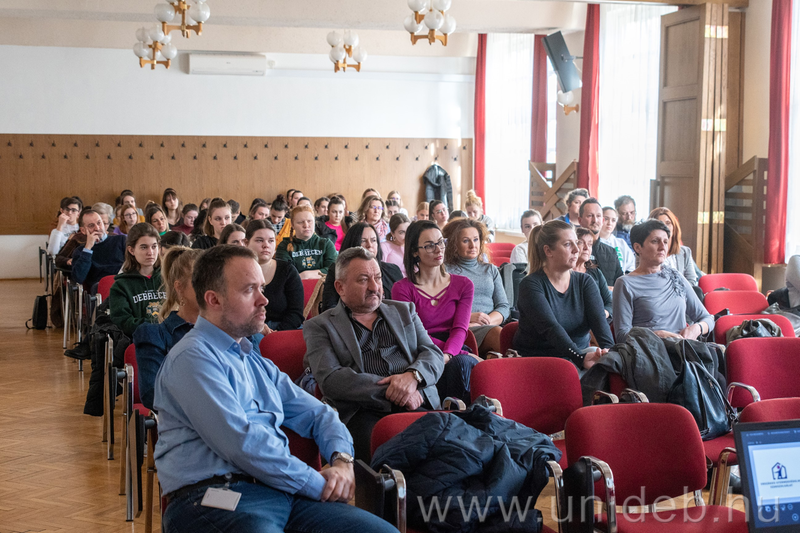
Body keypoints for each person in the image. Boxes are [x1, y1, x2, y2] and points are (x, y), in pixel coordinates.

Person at [153, 245, 394, 533]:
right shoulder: (192, 359)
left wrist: (341, 460)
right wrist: (320, 485)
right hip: (213, 498)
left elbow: (319, 414)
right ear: (214, 299)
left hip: (279, 492)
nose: (264, 300)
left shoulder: (253, 361)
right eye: (249, 290)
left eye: (262, 288)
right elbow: (243, 445)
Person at [304, 247, 445, 461]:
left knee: (452, 450)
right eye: (363, 280)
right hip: (365, 412)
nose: (374, 287)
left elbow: (432, 353)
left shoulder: (404, 311)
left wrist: (413, 377)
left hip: (419, 402)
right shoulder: (320, 326)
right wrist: (396, 390)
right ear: (340, 287)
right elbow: (331, 379)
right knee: (395, 455)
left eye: (377, 278)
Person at [392, 220, 480, 403]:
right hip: (421, 351)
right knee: (458, 364)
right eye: (430, 245)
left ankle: (457, 412)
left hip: (455, 349)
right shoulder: (402, 288)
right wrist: (442, 356)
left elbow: (460, 329)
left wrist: (449, 355)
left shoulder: (464, 285)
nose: (439, 249)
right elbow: (412, 333)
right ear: (414, 251)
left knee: (460, 365)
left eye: (440, 242)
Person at [513, 220, 613, 372]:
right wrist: (579, 357)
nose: (576, 250)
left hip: (580, 356)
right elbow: (551, 328)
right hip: (539, 361)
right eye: (567, 244)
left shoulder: (585, 281)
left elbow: (599, 322)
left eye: (576, 243)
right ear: (548, 251)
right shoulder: (530, 285)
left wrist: (610, 353)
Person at [613, 220, 714, 343]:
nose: (662, 247)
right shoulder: (625, 283)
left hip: (682, 349)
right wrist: (657, 335)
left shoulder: (675, 276)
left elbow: (708, 318)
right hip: (650, 351)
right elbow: (622, 335)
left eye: (665, 242)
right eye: (655, 241)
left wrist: (697, 328)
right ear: (638, 247)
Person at [134, 246, 202, 410]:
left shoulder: (231, 331)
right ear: (180, 288)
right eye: (201, 281)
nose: (211, 288)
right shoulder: (155, 335)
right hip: (184, 422)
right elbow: (152, 394)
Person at [444, 218, 509, 356]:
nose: (472, 245)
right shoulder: (445, 271)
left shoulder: (490, 270)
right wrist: (469, 317)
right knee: (500, 336)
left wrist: (485, 322)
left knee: (510, 333)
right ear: (454, 244)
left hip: (490, 325)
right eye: (465, 241)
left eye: (476, 239)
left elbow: (503, 306)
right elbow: (440, 310)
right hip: (461, 328)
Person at [320, 223, 403, 312]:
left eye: (373, 240)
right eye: (363, 241)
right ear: (352, 244)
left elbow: (402, 309)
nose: (369, 245)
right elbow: (330, 308)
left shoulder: (393, 270)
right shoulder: (337, 270)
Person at [246, 220, 304, 331]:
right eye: (259, 240)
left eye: (271, 241)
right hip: (249, 329)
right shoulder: (238, 272)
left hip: (284, 328)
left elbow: (296, 313)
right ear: (246, 243)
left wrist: (276, 334)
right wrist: (259, 329)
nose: (266, 245)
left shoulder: (287, 270)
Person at [109, 223, 165, 337]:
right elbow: (124, 321)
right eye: (144, 247)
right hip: (140, 339)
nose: (150, 252)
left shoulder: (169, 279)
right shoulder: (121, 285)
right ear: (131, 250)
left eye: (154, 246)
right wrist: (156, 327)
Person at [275, 206, 337, 280]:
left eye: (309, 221)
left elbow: (333, 270)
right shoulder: (284, 245)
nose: (306, 225)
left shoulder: (326, 244)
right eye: (300, 222)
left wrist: (307, 275)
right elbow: (284, 273)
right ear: (292, 225)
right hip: (295, 286)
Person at [71, 209, 127, 290]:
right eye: (91, 225)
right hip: (100, 290)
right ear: (83, 230)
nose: (97, 228)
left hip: (124, 284)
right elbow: (78, 278)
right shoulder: (80, 252)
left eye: (99, 223)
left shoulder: (120, 240)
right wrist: (88, 248)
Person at [577, 198, 623, 287]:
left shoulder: (611, 252)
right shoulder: (573, 250)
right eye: (590, 216)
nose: (595, 220)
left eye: (598, 216)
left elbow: (621, 285)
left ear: (602, 221)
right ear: (580, 220)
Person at [648, 207, 698, 285]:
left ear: (674, 227)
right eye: (660, 224)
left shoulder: (685, 252)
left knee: (697, 290)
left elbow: (691, 281)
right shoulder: (645, 253)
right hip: (658, 290)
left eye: (668, 223)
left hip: (683, 291)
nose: (665, 227)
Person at [574, 227, 613, 319]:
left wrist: (603, 314)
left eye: (590, 244)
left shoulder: (596, 272)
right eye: (581, 242)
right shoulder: (564, 273)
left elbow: (609, 303)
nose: (586, 248)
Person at [599, 207, 635, 273]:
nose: (609, 223)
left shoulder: (621, 243)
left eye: (613, 220)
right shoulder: (593, 242)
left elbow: (631, 265)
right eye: (606, 219)